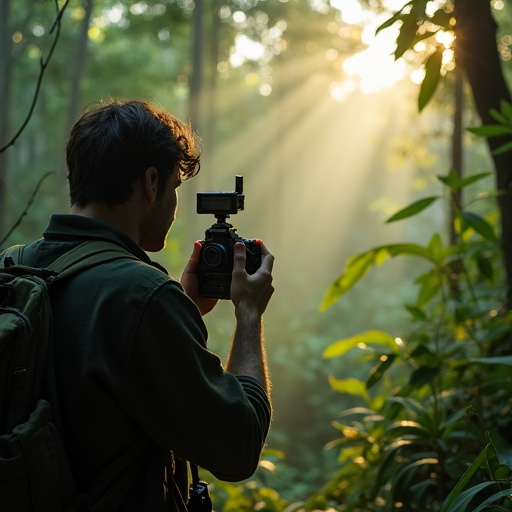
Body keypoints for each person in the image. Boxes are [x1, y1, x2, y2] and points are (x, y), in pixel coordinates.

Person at [21, 98, 275, 511]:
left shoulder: (14, 266)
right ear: (150, 183)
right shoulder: (141, 296)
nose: (173, 206)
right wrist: (249, 315)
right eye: (174, 187)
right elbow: (238, 447)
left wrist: (184, 308)